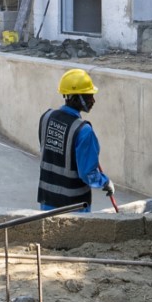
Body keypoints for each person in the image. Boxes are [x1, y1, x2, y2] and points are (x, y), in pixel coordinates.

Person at [38, 69, 112, 210]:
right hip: (74, 207)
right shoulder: (84, 131)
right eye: (89, 96)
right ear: (76, 98)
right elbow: (88, 174)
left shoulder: (46, 117)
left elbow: (50, 154)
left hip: (47, 202)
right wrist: (105, 182)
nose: (93, 100)